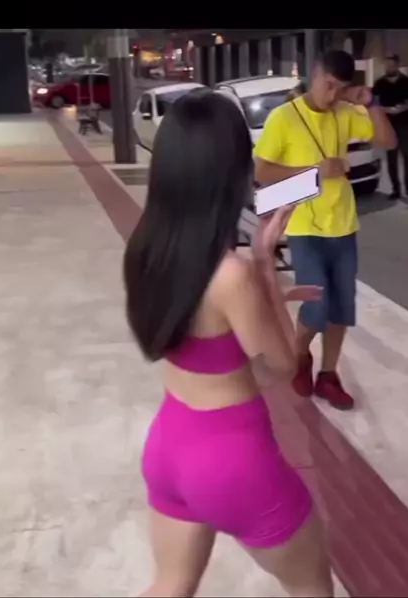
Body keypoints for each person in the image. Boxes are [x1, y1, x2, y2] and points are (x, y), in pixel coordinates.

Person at [124, 88, 334, 598]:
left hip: (169, 445)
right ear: (229, 173)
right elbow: (281, 367)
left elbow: (204, 328)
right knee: (312, 587)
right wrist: (265, 266)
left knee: (170, 586)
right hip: (233, 462)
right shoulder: (231, 275)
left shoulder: (146, 249)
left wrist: (260, 292)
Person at [253, 49, 396, 410]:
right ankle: (300, 355)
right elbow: (262, 172)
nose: (332, 95)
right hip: (304, 227)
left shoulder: (345, 113)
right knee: (316, 307)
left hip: (343, 225)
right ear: (314, 75)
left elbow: (388, 141)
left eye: (340, 88)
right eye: (328, 85)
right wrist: (314, 171)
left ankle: (329, 375)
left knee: (342, 309)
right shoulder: (284, 118)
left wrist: (371, 103)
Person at [372, 54, 408, 200]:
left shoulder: (406, 82)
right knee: (391, 158)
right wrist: (385, 109)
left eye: (392, 65)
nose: (389, 68)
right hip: (387, 125)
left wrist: (403, 107)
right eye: (387, 65)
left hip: (405, 123)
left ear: (397, 65)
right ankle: (396, 189)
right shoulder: (379, 83)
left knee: (407, 156)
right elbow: (374, 103)